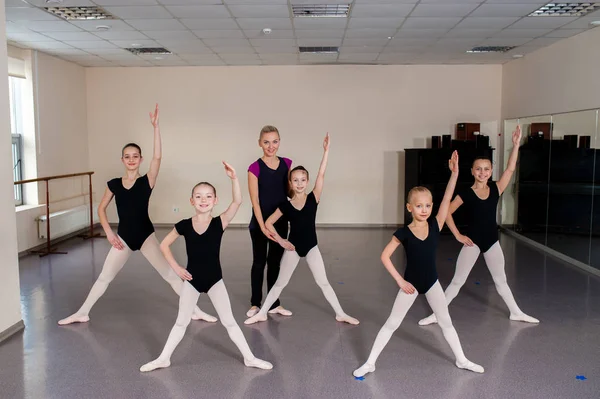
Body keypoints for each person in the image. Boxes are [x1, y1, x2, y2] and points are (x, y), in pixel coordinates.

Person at [59, 104, 216, 326]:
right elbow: (101, 209)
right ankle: (82, 312)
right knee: (104, 277)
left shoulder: (146, 182)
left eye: (135, 156)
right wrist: (108, 233)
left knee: (170, 275)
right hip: (122, 238)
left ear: (141, 159)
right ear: (122, 159)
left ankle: (194, 310)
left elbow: (158, 158)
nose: (131, 159)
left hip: (145, 237)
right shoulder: (113, 184)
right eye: (127, 156)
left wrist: (156, 127)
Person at [353, 151, 484, 378]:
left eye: (427, 206)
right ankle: (370, 363)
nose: (424, 210)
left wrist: (455, 174)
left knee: (446, 323)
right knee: (392, 323)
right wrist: (400, 280)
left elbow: (446, 199)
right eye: (419, 206)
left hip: (432, 283)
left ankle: (462, 360)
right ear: (409, 208)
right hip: (411, 284)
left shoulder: (436, 225)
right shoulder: (403, 233)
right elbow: (385, 256)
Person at [140, 162, 273, 372]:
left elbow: (238, 201)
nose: (204, 200)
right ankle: (164, 358)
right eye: (199, 196)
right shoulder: (184, 224)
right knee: (181, 323)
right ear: (192, 200)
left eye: (208, 196)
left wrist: (234, 178)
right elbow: (164, 244)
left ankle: (249, 358)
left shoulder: (219, 222)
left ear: (215, 200)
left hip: (214, 281)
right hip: (191, 282)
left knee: (229, 322)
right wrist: (176, 267)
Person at [418, 126, 539, 327]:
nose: (483, 172)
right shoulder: (466, 193)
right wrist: (457, 235)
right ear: (472, 171)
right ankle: (437, 315)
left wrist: (516, 145)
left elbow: (510, 169)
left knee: (501, 281)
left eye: (486, 169)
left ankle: (515, 312)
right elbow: (446, 211)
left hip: (492, 241)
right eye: (478, 169)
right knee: (457, 281)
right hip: (472, 242)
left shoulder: (496, 188)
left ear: (491, 171)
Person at [245, 133, 359, 326]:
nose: (299, 183)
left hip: (312, 247)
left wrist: (326, 151)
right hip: (293, 249)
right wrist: (281, 241)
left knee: (323, 282)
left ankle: (340, 313)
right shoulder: (286, 205)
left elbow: (321, 174)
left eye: (303, 180)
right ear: (290, 183)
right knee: (280, 282)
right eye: (295, 180)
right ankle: (262, 311)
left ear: (307, 181)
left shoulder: (314, 198)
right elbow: (269, 223)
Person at [247, 125, 293, 318]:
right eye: (266, 142)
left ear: (279, 142)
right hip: (259, 223)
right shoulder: (254, 168)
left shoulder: (287, 164)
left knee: (275, 263)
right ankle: (255, 303)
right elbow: (255, 201)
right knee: (259, 262)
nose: (271, 146)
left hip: (280, 222)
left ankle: (274, 303)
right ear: (260, 143)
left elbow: (289, 192)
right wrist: (263, 226)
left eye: (274, 141)